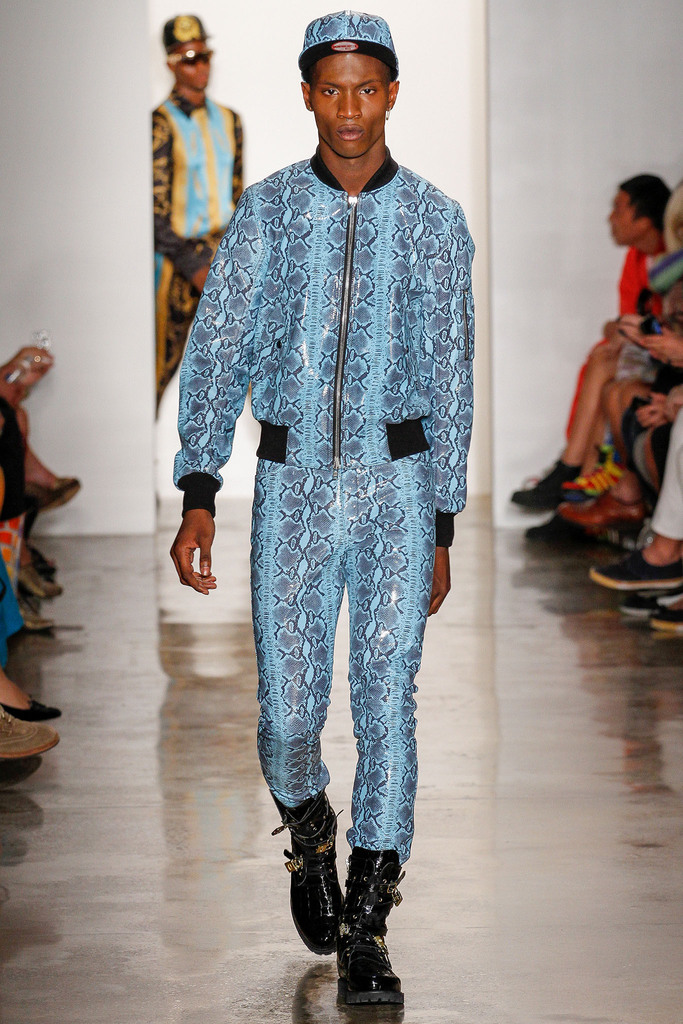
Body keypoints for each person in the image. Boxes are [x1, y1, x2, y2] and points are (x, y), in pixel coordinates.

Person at [170, 11, 474, 1006]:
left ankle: (367, 922)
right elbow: (217, 345)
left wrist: (441, 521)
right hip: (293, 486)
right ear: (306, 94)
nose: (349, 108)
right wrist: (200, 487)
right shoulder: (266, 213)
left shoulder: (434, 221)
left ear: (392, 94)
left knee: (387, 699)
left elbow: (450, 375)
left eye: (366, 88)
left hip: (395, 491)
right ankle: (309, 829)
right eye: (331, 88)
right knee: (288, 710)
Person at [512, 174, 670, 523]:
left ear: (644, 219)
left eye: (618, 209)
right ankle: (577, 486)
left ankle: (571, 471)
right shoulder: (637, 257)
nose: (610, 218)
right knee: (604, 362)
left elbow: (660, 325)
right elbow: (626, 318)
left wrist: (626, 331)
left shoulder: (671, 259)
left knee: (604, 363)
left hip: (668, 362)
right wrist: (620, 330)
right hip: (650, 354)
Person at [153, 14, 244, 409]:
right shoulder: (159, 124)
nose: (201, 66)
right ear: (171, 64)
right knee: (155, 368)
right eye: (190, 59)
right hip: (174, 263)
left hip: (221, 257)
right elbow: (154, 207)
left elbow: (238, 195)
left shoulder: (230, 120)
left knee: (248, 363)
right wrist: (192, 265)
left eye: (205, 56)